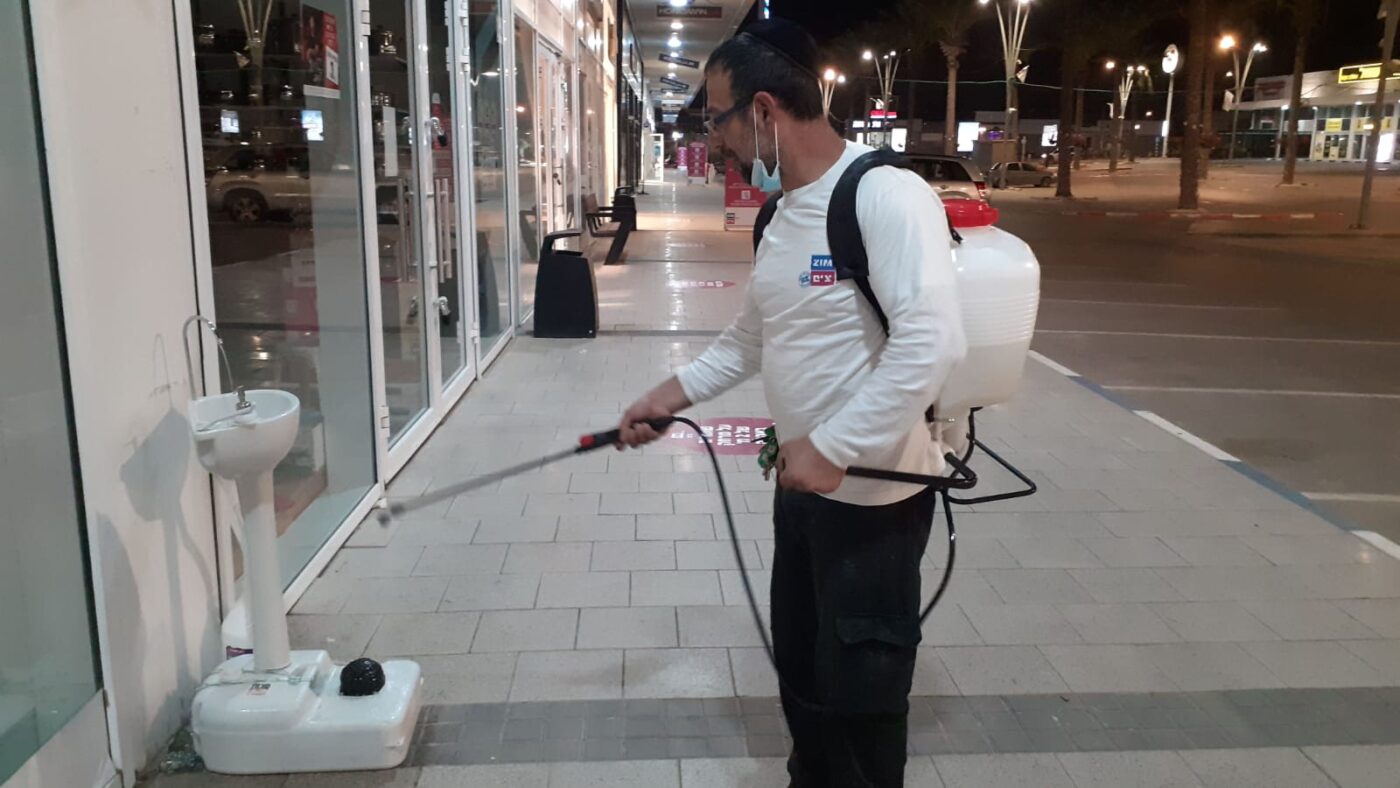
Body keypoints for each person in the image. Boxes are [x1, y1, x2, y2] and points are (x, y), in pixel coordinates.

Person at [616, 19, 966, 788]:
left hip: (875, 505)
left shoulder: (885, 196)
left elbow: (932, 343)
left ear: (765, 110)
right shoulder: (779, 216)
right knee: (803, 677)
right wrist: (663, 398)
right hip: (802, 494)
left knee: (863, 700)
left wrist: (832, 446)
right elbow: (750, 339)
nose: (715, 141)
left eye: (718, 119)